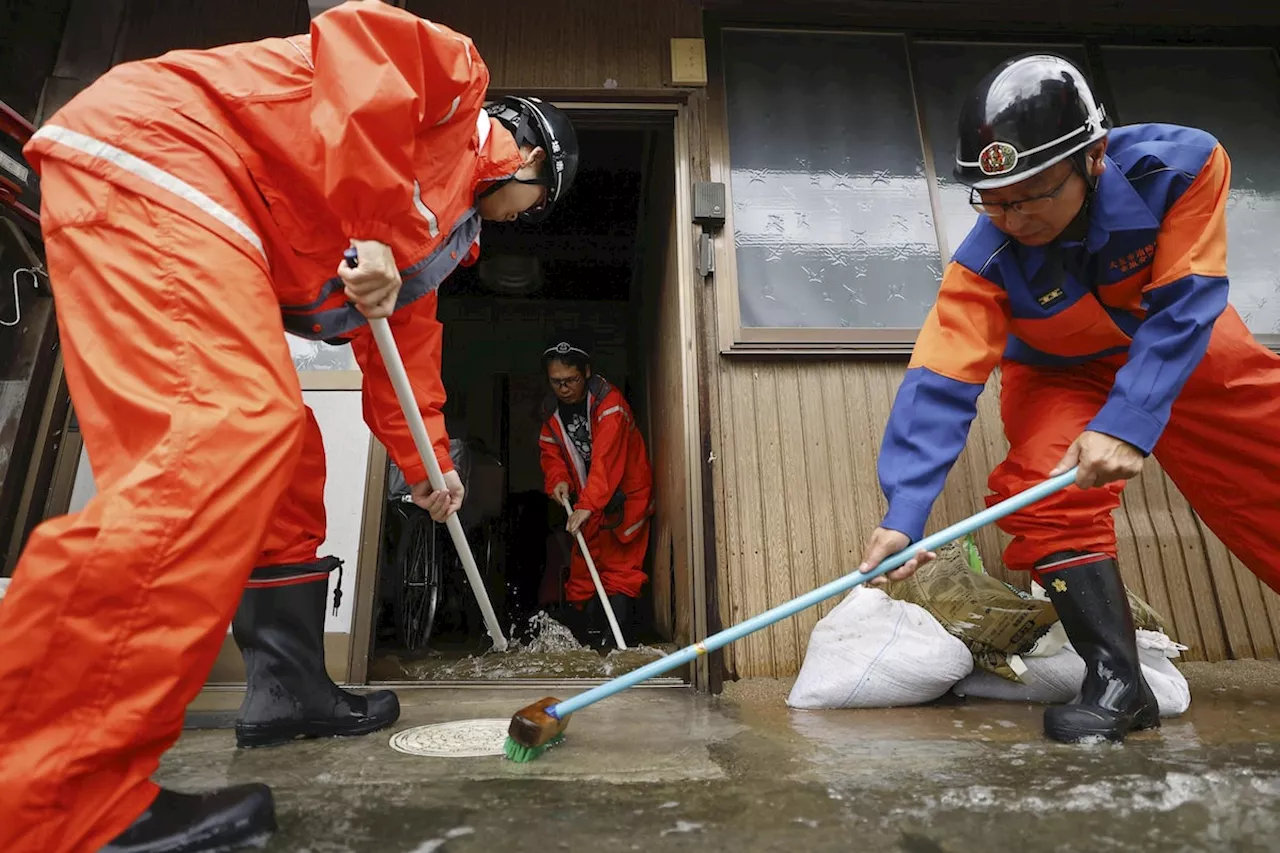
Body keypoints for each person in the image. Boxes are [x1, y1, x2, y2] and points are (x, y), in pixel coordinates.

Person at [0, 3, 578, 852]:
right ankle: (50, 782)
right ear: (529, 158)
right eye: (533, 205)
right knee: (222, 431)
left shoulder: (443, 241)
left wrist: (425, 462)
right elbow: (357, 37)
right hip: (167, 156)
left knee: (284, 456)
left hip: (200, 202)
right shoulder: (457, 85)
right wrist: (374, 226)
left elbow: (403, 349)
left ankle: (288, 689)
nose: (521, 217)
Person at [857, 52, 1280, 746]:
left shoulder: (1182, 166)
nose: (1011, 216)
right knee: (1043, 487)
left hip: (1181, 339)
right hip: (1060, 369)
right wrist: (904, 511)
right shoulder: (984, 260)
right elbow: (942, 379)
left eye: (1030, 193)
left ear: (1093, 156)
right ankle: (1118, 683)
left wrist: (1128, 419)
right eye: (990, 199)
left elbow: (1186, 301)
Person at [538, 341, 654, 648]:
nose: (563, 388)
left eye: (570, 380)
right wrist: (558, 480)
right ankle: (587, 645)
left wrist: (587, 504)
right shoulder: (552, 413)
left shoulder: (609, 404)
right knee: (582, 575)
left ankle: (617, 647)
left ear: (586, 373)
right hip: (591, 500)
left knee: (619, 571)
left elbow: (606, 460)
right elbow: (551, 453)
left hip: (624, 499)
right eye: (556, 382)